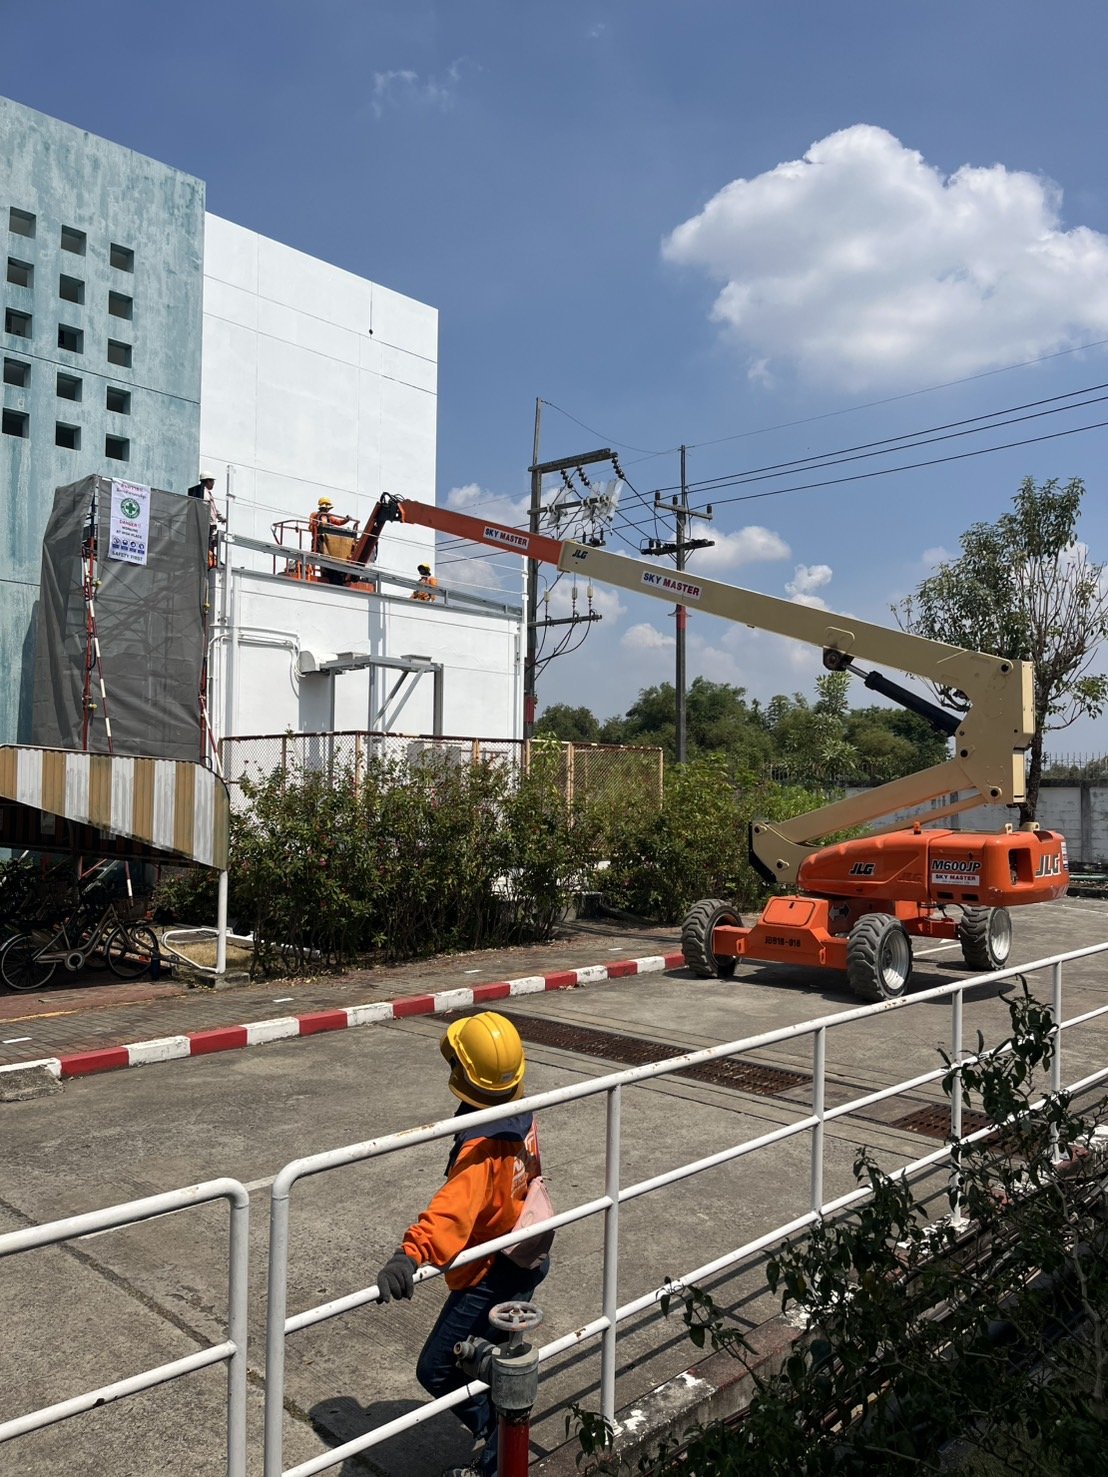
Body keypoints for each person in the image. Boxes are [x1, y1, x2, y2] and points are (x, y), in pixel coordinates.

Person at [375, 1011, 550, 1477]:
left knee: (438, 1368)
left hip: (492, 1272)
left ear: (460, 1073)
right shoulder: (519, 1111)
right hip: (524, 1251)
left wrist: (409, 1254)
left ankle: (497, 1442)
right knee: (490, 1364)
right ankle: (501, 1443)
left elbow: (452, 1210)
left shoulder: (482, 1146)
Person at [187, 470, 225, 566]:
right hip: (207, 524)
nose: (213, 484)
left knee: (209, 544)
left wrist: (222, 518)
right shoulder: (204, 493)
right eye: (212, 481)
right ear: (208, 481)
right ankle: (208, 562)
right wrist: (211, 523)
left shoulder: (206, 493)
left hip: (207, 524)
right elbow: (206, 509)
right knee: (207, 544)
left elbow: (214, 510)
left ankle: (210, 560)